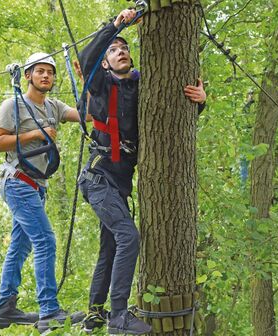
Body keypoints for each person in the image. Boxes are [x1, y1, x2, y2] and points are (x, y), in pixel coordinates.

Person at [77, 9, 206, 335]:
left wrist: (201, 102)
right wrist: (116, 25)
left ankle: (95, 312)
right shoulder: (101, 84)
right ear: (106, 63)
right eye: (114, 50)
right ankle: (118, 315)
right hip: (99, 178)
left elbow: (171, 112)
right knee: (128, 237)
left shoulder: (142, 87)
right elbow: (87, 56)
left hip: (120, 184)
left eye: (125, 48)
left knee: (110, 245)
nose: (122, 52)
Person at [0, 52, 86, 332]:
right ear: (28, 75)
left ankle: (5, 308)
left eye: (50, 72)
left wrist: (87, 79)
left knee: (20, 246)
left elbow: (88, 114)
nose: (46, 76)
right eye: (40, 71)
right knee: (45, 240)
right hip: (18, 181)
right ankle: (49, 310)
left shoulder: (54, 107)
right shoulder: (14, 105)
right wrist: (36, 134)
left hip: (36, 186)